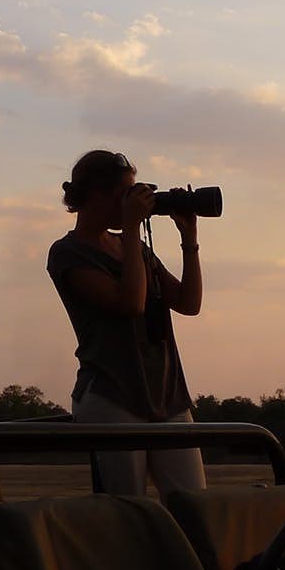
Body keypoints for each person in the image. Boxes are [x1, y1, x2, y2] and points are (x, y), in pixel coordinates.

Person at [47, 149, 207, 499]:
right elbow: (130, 303)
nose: (135, 202)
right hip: (112, 395)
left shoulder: (133, 248)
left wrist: (189, 237)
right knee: (127, 509)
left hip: (167, 393)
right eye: (126, 194)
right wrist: (133, 228)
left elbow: (189, 304)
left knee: (195, 506)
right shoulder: (68, 253)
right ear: (97, 195)